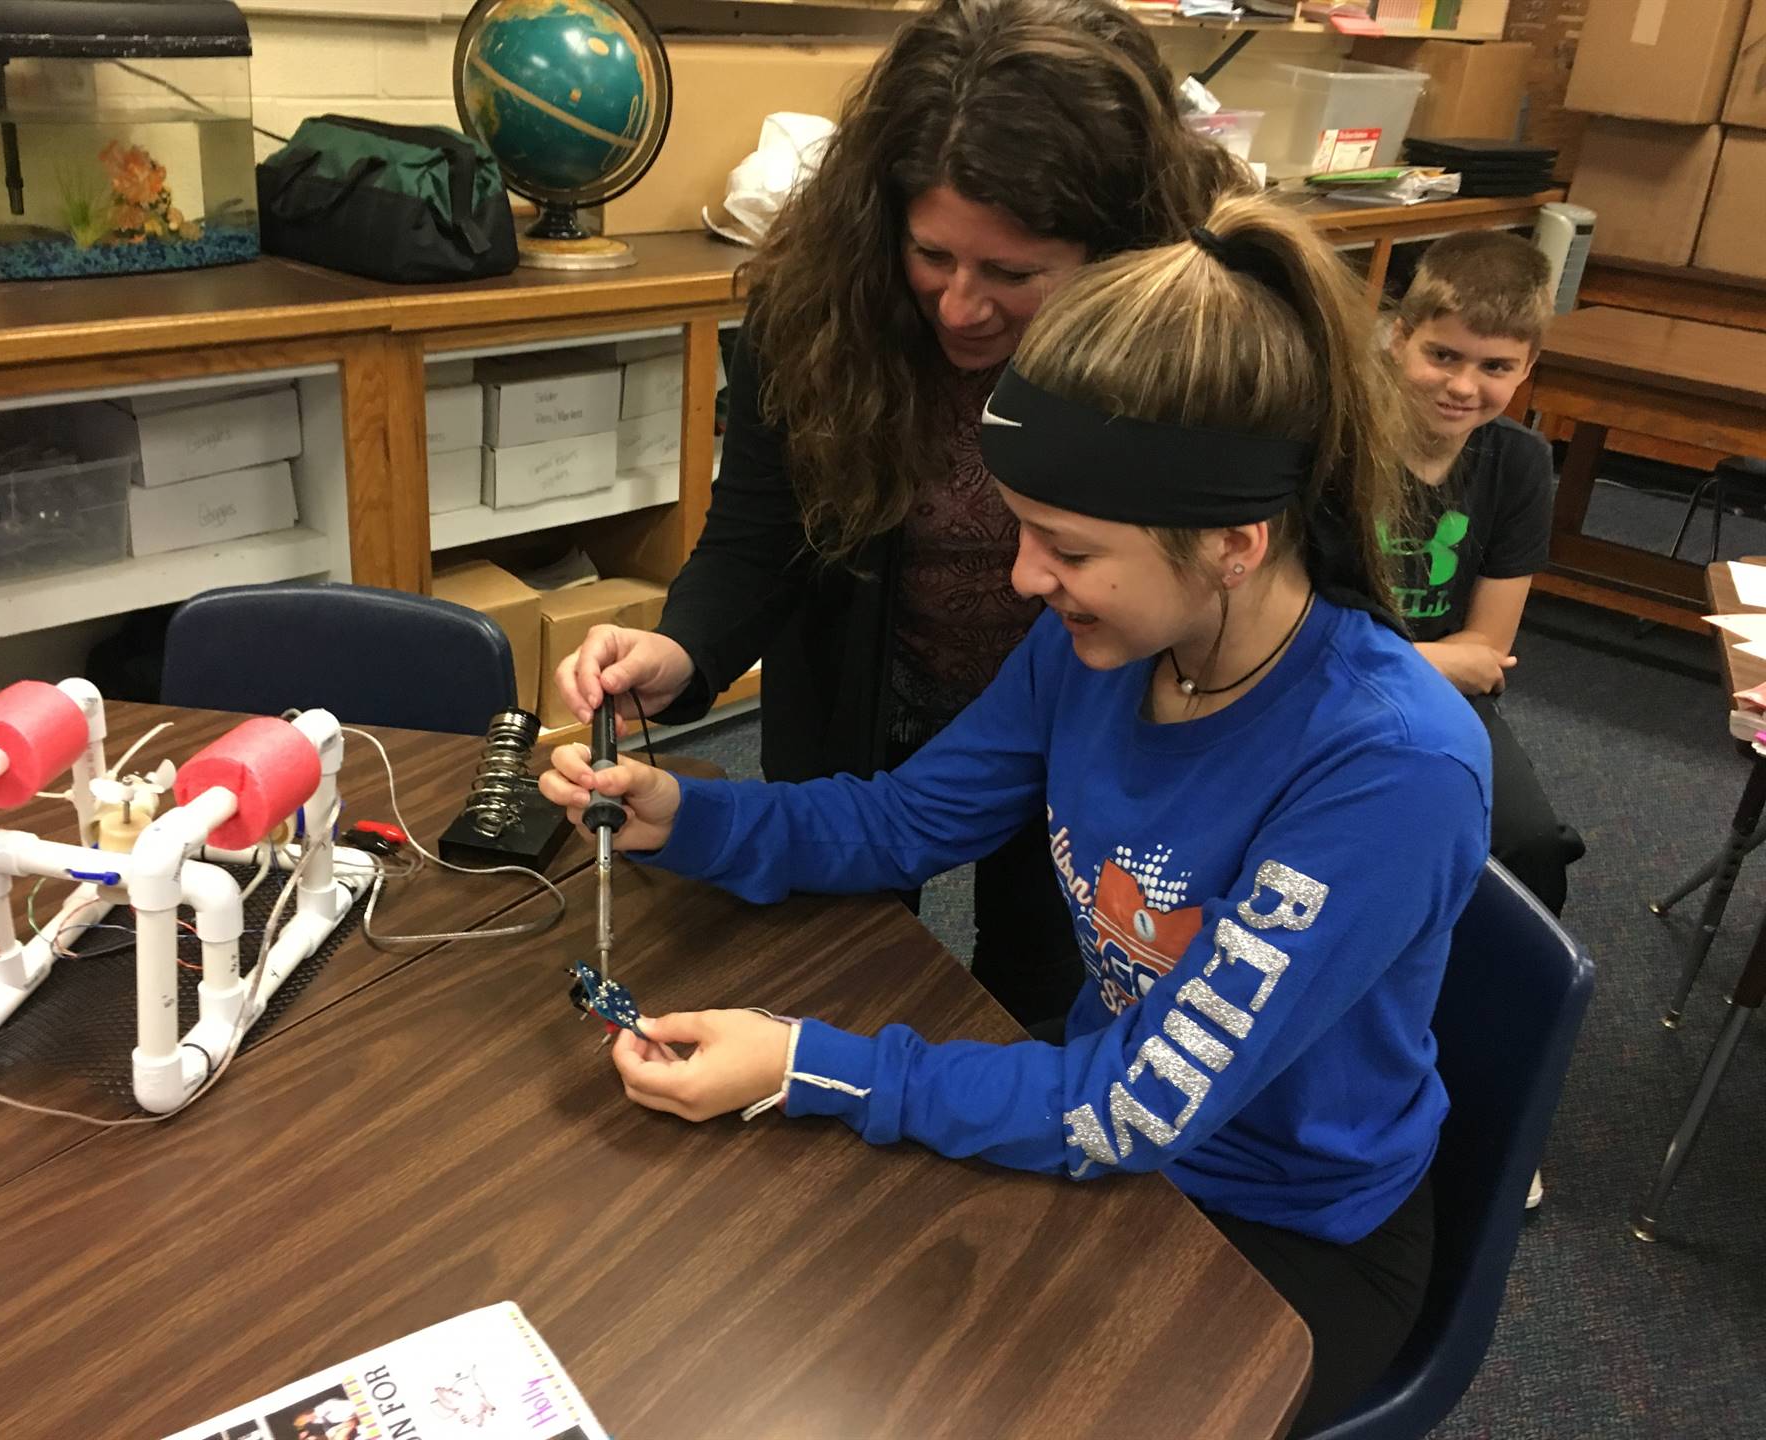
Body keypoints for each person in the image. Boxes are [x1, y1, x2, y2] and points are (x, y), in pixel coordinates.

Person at [541, 193, 1492, 1435]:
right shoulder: (1098, 647)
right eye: (1022, 531)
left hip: (1274, 1225)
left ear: (1235, 543)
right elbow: (903, 823)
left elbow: (1133, 1107)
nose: (1027, 578)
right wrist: (688, 816)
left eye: (1067, 547)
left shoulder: (1390, 768)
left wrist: (809, 1064)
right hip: (1112, 1129)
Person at [551, 0, 1247, 1028]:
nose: (962, 307)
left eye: (1013, 275)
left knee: (1046, 983)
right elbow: (759, 536)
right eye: (933, 258)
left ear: (1115, 258)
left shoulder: (1182, 351)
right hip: (874, 705)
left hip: (1090, 716)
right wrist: (684, 652)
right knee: (846, 965)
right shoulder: (824, 309)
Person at [1383, 230, 1587, 918]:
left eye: (1496, 366)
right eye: (1442, 355)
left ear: (1528, 366)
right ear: (1398, 337)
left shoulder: (1521, 463)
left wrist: (1443, 663)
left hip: (1433, 697)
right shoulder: (1338, 442)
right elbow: (1294, 641)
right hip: (1315, 690)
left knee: (1528, 847)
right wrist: (1442, 660)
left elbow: (1488, 650)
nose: (1463, 387)